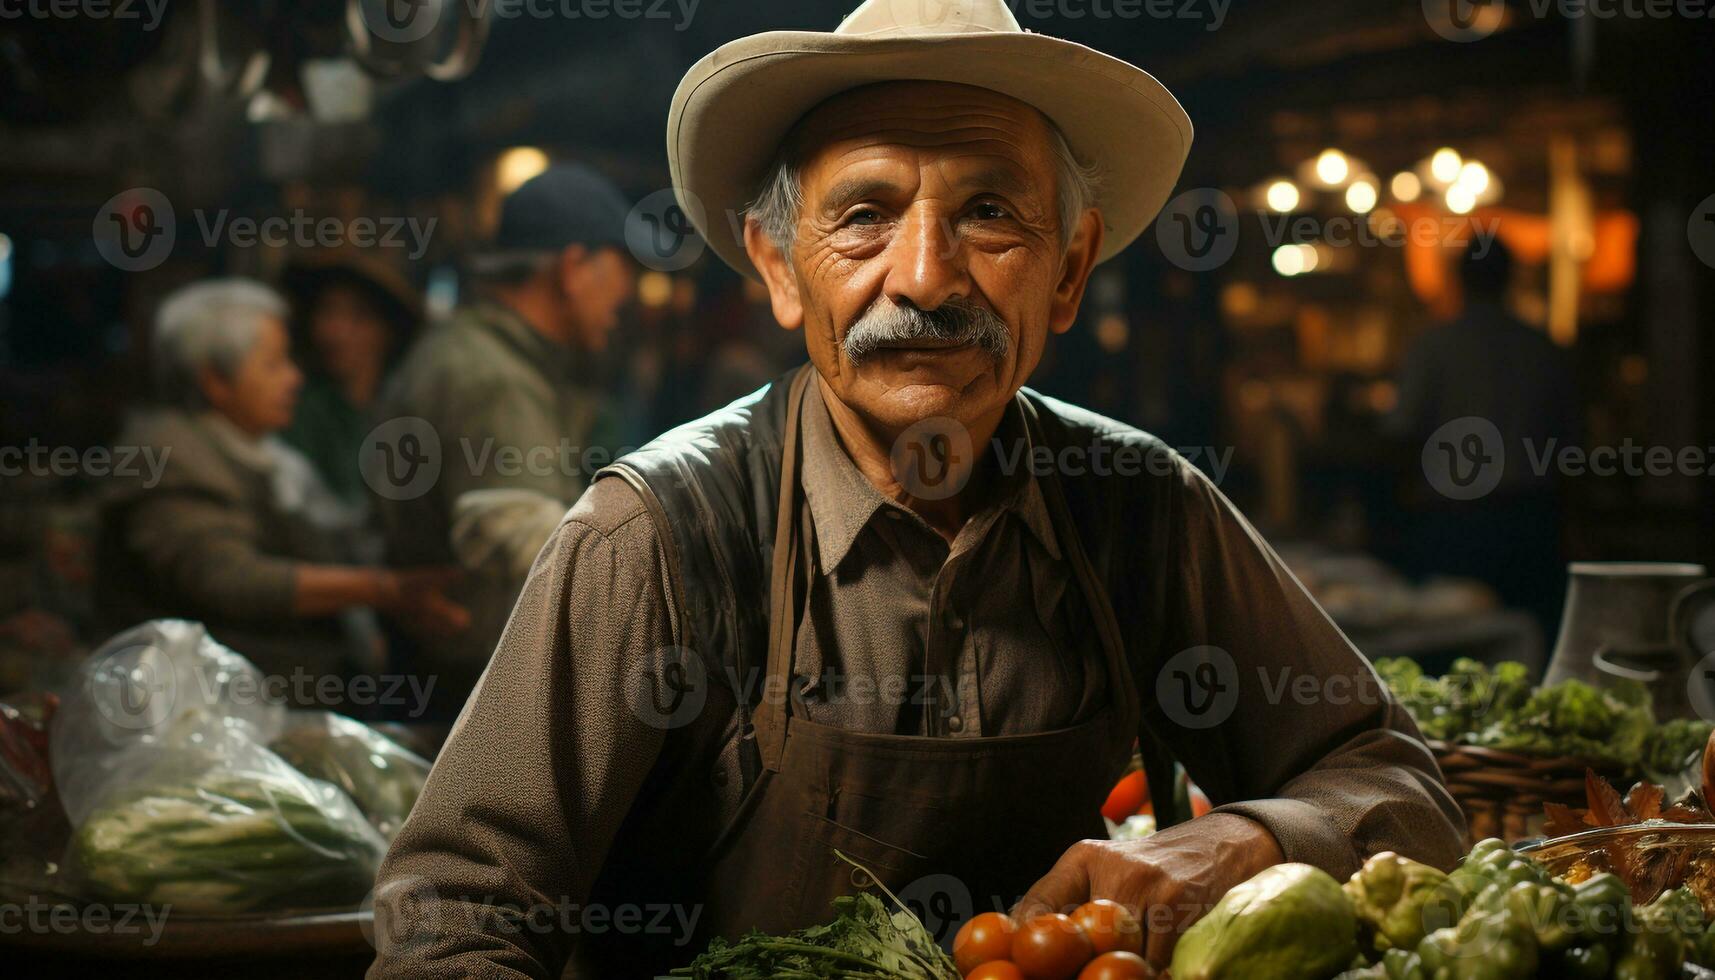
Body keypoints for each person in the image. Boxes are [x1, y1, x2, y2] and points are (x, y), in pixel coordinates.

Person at [368, 3, 1466, 976]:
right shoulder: (655, 534)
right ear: (778, 265)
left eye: (989, 212)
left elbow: (1402, 790)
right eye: (862, 215)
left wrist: (1244, 837)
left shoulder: (1143, 507)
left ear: (1070, 268)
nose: (926, 276)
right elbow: (453, 910)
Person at [96, 279, 468, 690]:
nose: (294, 379)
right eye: (273, 364)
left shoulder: (267, 454)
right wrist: (382, 590)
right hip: (195, 706)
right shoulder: (168, 454)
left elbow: (337, 544)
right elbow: (227, 578)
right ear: (215, 382)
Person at [371, 163, 635, 718]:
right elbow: (526, 535)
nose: (627, 291)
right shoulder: (491, 376)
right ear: (572, 267)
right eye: (620, 266)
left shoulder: (485, 354)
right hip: (467, 692)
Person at [1388, 237, 1580, 642]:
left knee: (1452, 644)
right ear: (1511, 278)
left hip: (1456, 522)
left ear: (1458, 279)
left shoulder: (1434, 346)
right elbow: (1571, 446)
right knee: (1531, 646)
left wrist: (1399, 507)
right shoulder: (1542, 348)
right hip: (1530, 520)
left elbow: (1403, 432)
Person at [280, 257, 420, 512]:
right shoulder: (298, 409)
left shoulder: (406, 409)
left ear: (388, 330)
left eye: (359, 317)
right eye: (327, 312)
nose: (336, 332)